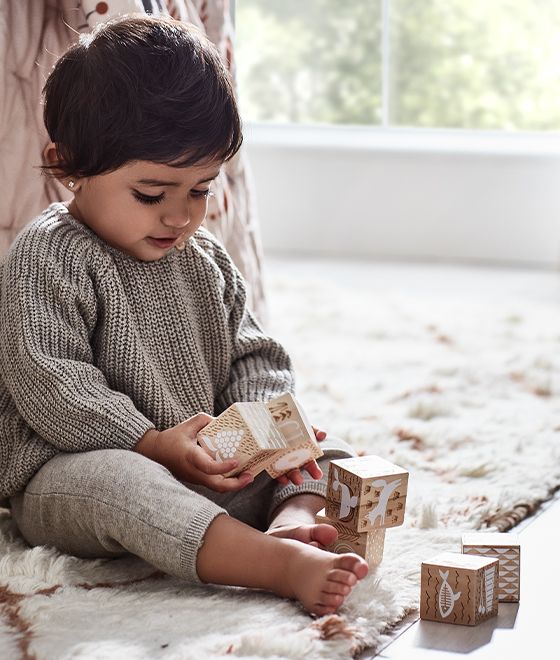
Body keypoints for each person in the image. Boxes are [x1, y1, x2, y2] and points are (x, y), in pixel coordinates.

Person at [0, 15, 368, 616]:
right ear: (67, 164)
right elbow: (52, 387)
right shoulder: (48, 255)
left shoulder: (204, 259)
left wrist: (269, 428)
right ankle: (275, 564)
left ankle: (292, 521)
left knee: (332, 451)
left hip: (205, 466)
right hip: (73, 474)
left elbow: (255, 355)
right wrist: (153, 444)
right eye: (152, 194)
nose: (180, 216)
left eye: (200, 190)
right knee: (122, 484)